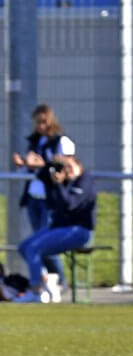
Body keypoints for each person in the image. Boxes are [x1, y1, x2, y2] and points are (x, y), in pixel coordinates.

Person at [11, 104, 77, 299]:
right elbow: (33, 170)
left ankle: (58, 282)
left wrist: (43, 164)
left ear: (51, 121)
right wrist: (24, 164)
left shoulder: (61, 142)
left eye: (44, 121)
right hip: (35, 198)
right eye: (37, 122)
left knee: (45, 244)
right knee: (34, 245)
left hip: (52, 200)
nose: (40, 126)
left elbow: (66, 167)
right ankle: (46, 283)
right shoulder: (35, 142)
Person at [15, 154, 96, 303]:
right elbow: (43, 177)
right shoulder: (64, 180)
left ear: (79, 166)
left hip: (79, 231)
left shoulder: (84, 180)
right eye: (65, 167)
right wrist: (43, 165)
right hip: (58, 228)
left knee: (34, 248)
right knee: (23, 247)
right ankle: (49, 283)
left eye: (71, 166)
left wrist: (58, 185)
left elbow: (70, 204)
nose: (68, 170)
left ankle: (36, 291)